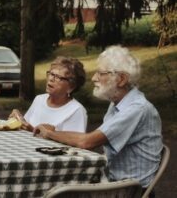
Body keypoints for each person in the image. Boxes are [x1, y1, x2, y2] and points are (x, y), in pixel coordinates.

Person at [34, 46, 163, 196]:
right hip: (113, 183)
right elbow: (92, 139)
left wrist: (51, 133)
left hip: (128, 191)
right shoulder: (117, 103)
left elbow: (87, 142)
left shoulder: (137, 109)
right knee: (54, 185)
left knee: (57, 191)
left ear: (121, 79)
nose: (94, 78)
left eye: (101, 73)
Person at [9, 56, 87, 132]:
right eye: (51, 74)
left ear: (71, 87)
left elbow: (73, 142)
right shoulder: (39, 99)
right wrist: (18, 119)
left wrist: (32, 130)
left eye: (58, 77)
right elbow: (26, 127)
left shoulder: (76, 110)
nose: (51, 79)